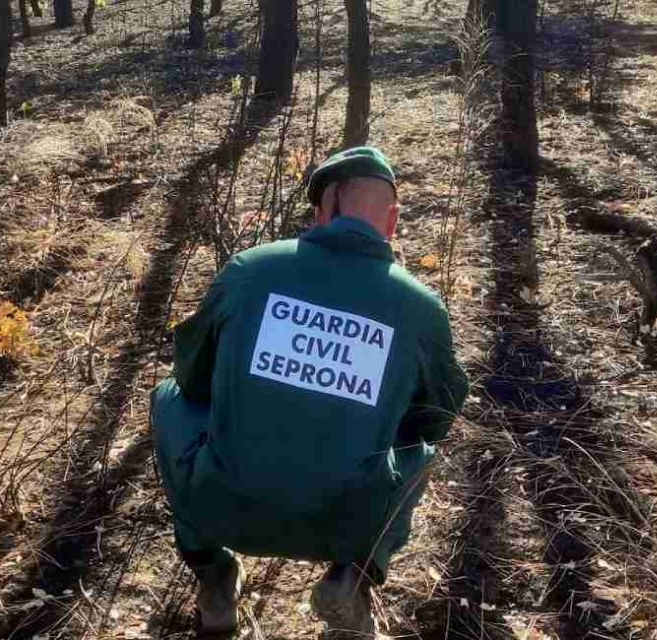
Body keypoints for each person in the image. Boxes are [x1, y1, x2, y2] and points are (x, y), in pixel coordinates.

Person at [150, 146, 468, 637]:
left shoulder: (251, 270)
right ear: (393, 221)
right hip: (350, 521)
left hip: (225, 505)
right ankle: (353, 578)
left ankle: (214, 580)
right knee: (420, 452)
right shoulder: (421, 308)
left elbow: (191, 376)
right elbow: (436, 417)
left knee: (167, 398)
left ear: (323, 210)